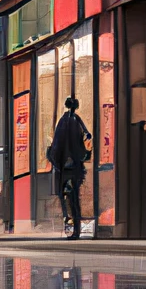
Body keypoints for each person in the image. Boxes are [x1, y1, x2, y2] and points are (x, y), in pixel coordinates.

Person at [50, 96, 91, 240]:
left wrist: (54, 159)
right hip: (76, 166)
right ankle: (76, 229)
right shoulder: (77, 121)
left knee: (66, 198)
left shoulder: (63, 121)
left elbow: (56, 145)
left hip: (65, 167)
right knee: (74, 199)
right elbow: (86, 138)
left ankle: (71, 226)